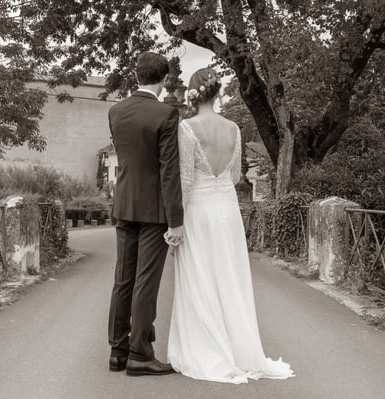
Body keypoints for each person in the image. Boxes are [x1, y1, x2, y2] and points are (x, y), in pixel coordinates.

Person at [166, 67, 295, 384]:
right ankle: (239, 349)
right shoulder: (234, 129)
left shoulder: (186, 129)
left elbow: (184, 180)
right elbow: (236, 177)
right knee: (229, 277)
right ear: (217, 92)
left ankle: (207, 349)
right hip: (227, 209)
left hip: (198, 210)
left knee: (200, 275)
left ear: (193, 95)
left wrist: (174, 224)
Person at [107, 52, 183, 376]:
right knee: (145, 283)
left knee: (123, 279)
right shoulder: (166, 114)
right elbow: (169, 171)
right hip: (154, 212)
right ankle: (140, 353)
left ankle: (117, 351)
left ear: (136, 75)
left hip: (123, 205)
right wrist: (176, 220)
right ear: (164, 80)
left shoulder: (116, 111)